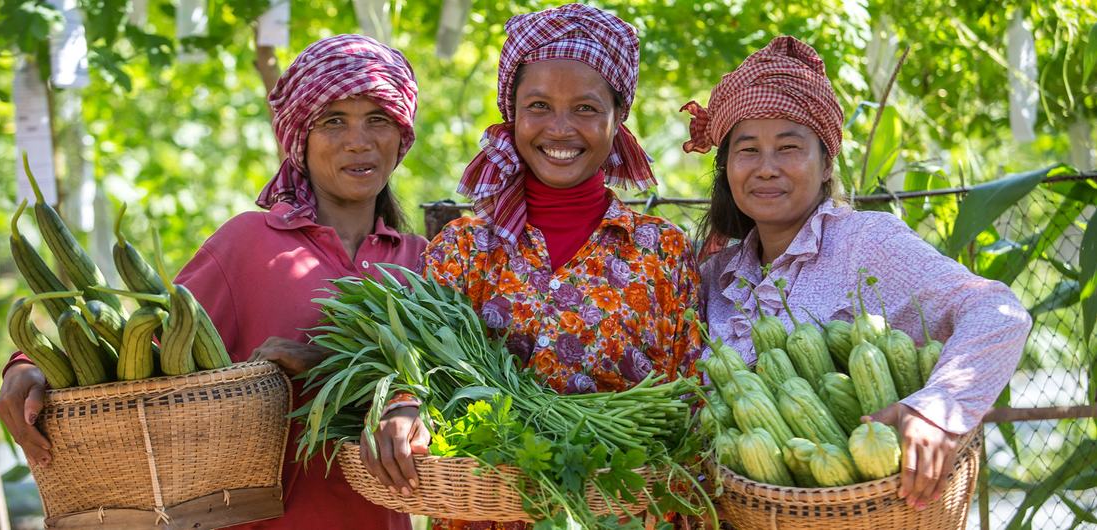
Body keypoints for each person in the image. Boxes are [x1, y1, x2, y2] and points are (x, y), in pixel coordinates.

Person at [0, 34, 427, 530]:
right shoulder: (248, 245)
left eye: (378, 119)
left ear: (402, 134)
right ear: (300, 139)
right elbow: (141, 348)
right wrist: (27, 366)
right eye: (334, 121)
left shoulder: (423, 263)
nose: (359, 140)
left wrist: (327, 366)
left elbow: (451, 398)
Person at [359, 4, 702, 529]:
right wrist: (405, 405)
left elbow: (690, 410)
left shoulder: (663, 253)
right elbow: (422, 367)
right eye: (539, 105)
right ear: (512, 114)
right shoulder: (465, 248)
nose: (560, 129)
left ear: (618, 118)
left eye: (586, 108)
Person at [684, 36, 1031, 512]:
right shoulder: (715, 275)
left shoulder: (865, 242)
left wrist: (936, 410)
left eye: (788, 147)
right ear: (726, 168)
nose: (766, 169)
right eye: (748, 151)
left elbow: (999, 311)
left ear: (827, 163)